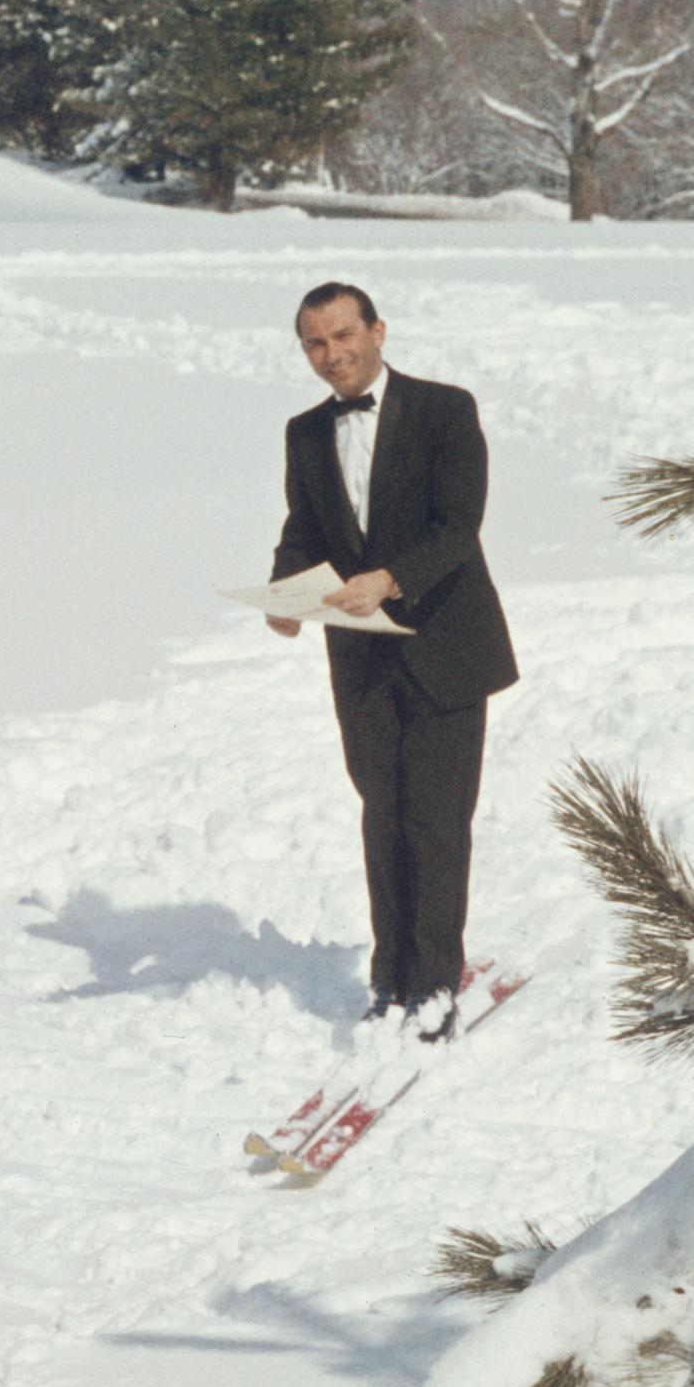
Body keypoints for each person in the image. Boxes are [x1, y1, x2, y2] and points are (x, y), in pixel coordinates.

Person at [267, 280, 516, 1028]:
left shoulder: (446, 410)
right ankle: (391, 977)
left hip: (445, 645)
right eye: (316, 342)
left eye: (344, 335)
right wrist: (285, 594)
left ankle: (436, 982)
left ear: (379, 330)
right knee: (383, 811)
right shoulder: (305, 432)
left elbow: (458, 525)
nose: (332, 355)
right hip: (361, 655)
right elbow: (304, 526)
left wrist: (389, 578)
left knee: (436, 819)